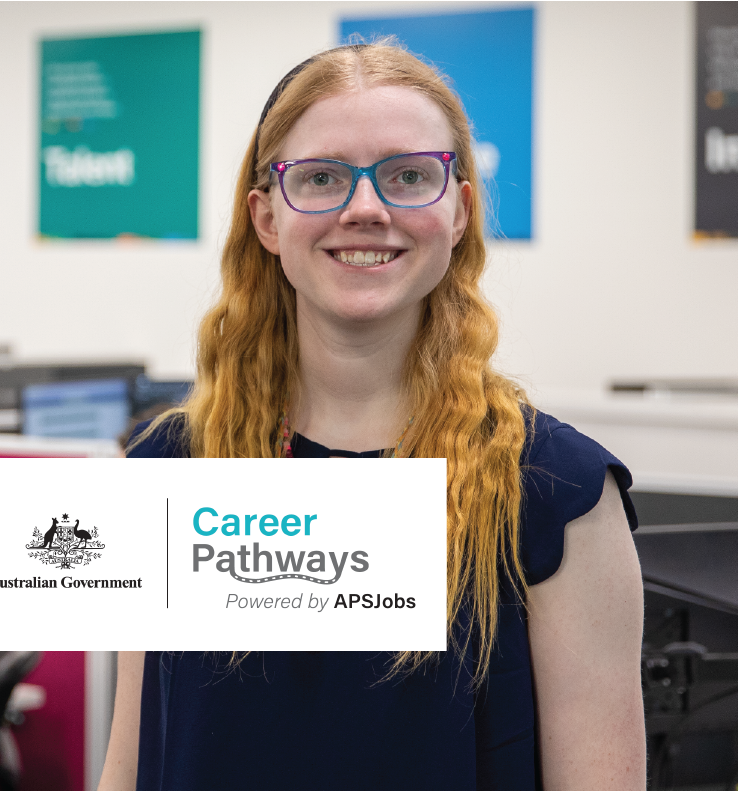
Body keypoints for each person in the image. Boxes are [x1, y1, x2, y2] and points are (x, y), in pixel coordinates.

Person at [100, 42, 646, 790]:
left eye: (408, 176)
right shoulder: (167, 469)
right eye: (322, 177)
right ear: (266, 217)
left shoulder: (557, 494)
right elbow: (128, 766)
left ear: (457, 210)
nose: (365, 208)